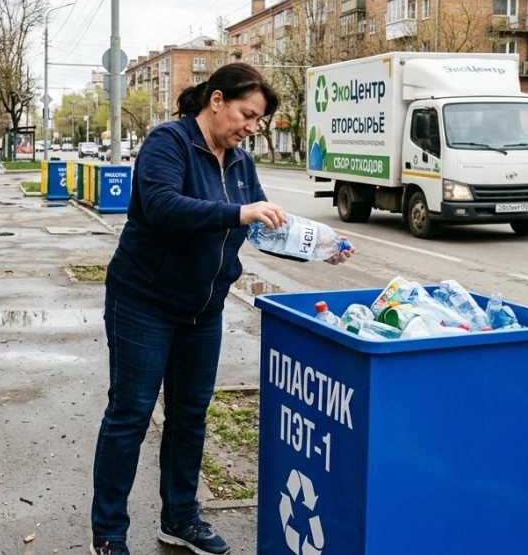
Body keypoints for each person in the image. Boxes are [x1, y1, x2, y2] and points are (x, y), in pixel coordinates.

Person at [88, 63, 355, 555]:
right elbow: (164, 206)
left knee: (190, 415)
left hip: (203, 309)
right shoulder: (168, 143)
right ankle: (108, 534)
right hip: (143, 301)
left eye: (256, 120)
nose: (251, 127)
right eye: (246, 114)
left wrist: (321, 245)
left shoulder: (239, 161)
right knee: (131, 413)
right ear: (216, 100)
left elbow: (264, 226)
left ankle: (180, 519)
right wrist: (239, 211)